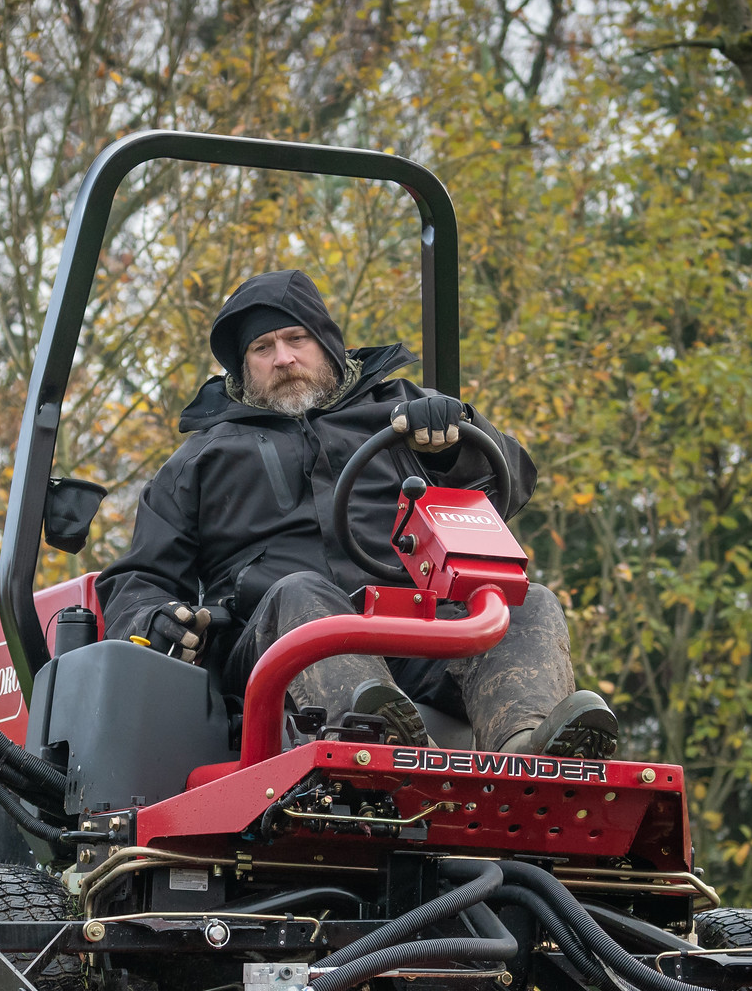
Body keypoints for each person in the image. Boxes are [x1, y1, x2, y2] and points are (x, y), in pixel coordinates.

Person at [94, 269, 616, 757]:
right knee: (300, 591)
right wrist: (152, 619)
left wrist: (454, 443)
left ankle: (527, 748)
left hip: (416, 630)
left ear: (327, 342)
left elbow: (512, 481)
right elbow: (138, 578)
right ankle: (378, 738)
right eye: (262, 348)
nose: (282, 358)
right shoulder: (203, 459)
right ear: (242, 367)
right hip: (276, 651)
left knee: (522, 603)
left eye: (295, 339)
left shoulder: (401, 411)